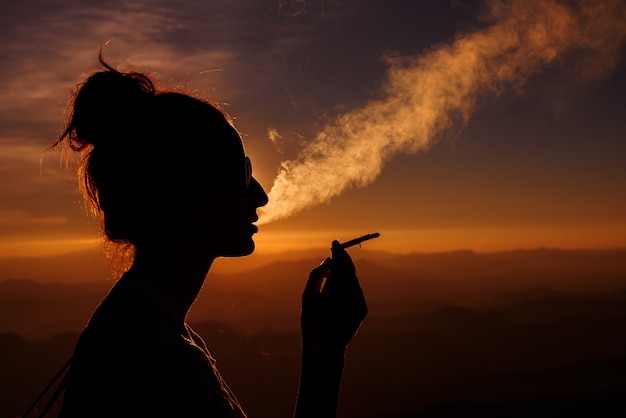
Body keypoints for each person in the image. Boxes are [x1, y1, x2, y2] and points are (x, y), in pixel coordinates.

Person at [52, 54, 367, 418]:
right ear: (176, 190)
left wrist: (318, 343)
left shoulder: (125, 328)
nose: (261, 195)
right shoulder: (167, 368)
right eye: (241, 172)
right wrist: (328, 352)